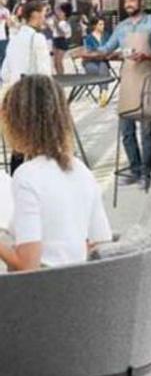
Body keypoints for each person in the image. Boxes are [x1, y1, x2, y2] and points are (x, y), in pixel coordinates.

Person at [0, 75, 111, 272]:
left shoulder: (27, 176)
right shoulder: (81, 170)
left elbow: (28, 266)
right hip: (76, 288)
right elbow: (100, 242)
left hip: (40, 294)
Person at [96, 0, 151, 189]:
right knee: (127, 130)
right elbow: (106, 49)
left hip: (148, 79)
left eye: (132, 0)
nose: (128, 4)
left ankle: (146, 174)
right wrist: (87, 52)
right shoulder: (121, 27)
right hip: (128, 79)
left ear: (141, 1)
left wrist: (147, 56)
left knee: (146, 130)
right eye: (126, 1)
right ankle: (135, 169)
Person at [0, 0, 53, 175]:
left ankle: (15, 182)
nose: (45, 17)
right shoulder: (37, 38)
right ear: (35, 14)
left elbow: (4, 73)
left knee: (18, 145)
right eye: (44, 13)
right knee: (38, 143)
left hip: (14, 97)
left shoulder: (14, 39)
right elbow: (45, 74)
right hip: (34, 98)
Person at [50, 3, 72, 75]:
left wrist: (56, 24)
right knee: (55, 62)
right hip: (56, 40)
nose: (58, 13)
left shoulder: (64, 23)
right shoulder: (59, 22)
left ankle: (61, 75)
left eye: (60, 12)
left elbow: (62, 34)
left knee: (59, 61)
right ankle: (58, 75)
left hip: (62, 41)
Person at [0, 0, 11, 69]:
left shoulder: (6, 11)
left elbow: (8, 24)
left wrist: (9, 20)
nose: (6, 0)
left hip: (3, 37)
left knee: (4, 55)